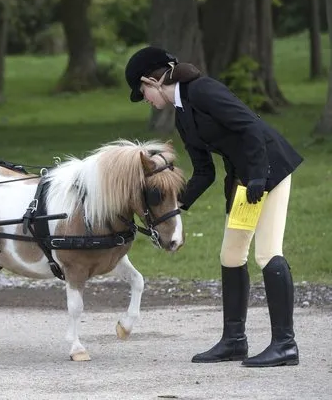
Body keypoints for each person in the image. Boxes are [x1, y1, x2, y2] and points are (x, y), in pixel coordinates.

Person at [124, 47, 303, 368]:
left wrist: (260, 177)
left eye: (143, 93)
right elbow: (204, 171)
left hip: (270, 170)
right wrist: (177, 204)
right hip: (246, 180)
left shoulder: (203, 90)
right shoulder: (181, 113)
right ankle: (234, 341)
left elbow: (250, 126)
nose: (147, 100)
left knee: (267, 253)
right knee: (231, 255)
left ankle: (285, 345)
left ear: (151, 81)